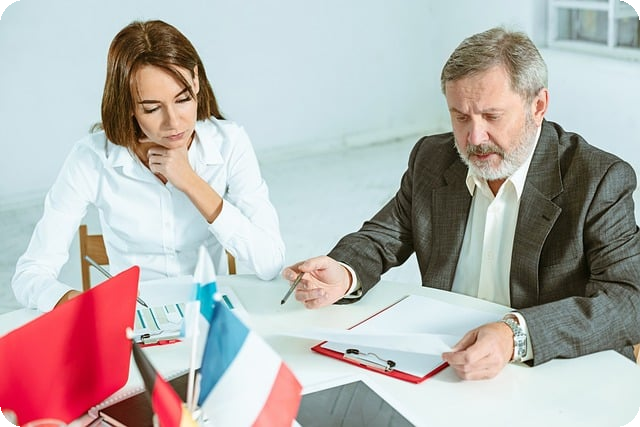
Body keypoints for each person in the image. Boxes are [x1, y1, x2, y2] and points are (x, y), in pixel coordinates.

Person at [283, 26, 640, 380]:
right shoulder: (433, 158)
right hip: (446, 365)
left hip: (549, 368)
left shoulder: (597, 179)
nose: (475, 138)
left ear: (538, 106)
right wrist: (344, 272)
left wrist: (515, 336)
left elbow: (629, 301)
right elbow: (383, 237)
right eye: (461, 116)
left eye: (492, 116)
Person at [12, 20, 285, 312]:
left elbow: (270, 262)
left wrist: (191, 182)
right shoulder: (91, 159)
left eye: (183, 99)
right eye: (152, 108)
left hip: (208, 314)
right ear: (127, 104)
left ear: (195, 80)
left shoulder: (230, 142)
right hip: (134, 316)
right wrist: (77, 302)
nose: (174, 122)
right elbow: (30, 275)